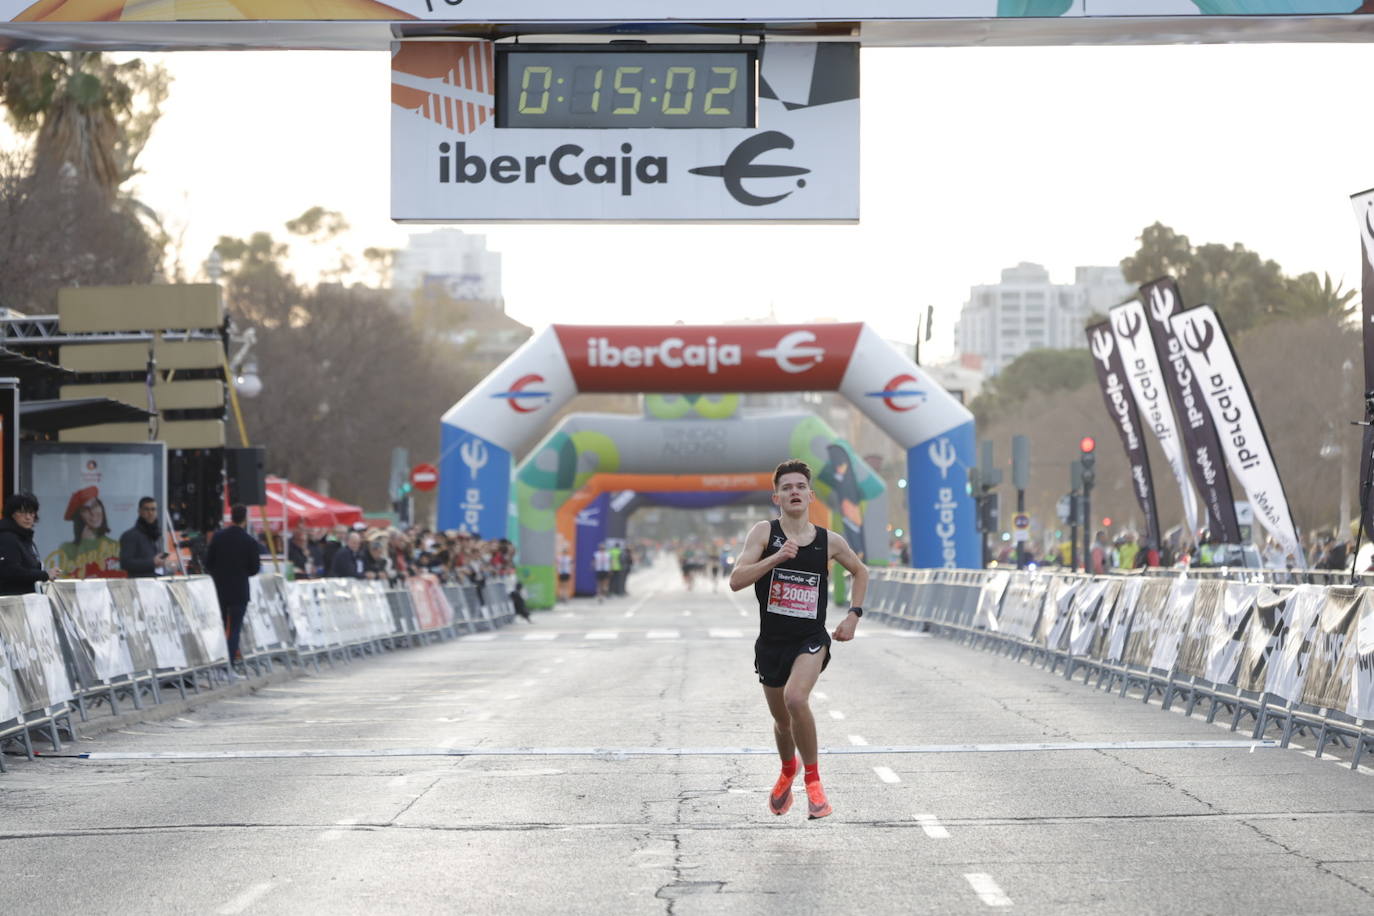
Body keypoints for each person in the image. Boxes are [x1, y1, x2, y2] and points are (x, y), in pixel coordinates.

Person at [729, 459, 869, 821]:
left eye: (800, 487)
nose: (794, 492)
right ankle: (788, 770)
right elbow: (736, 579)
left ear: (811, 495)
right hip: (771, 642)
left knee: (795, 698)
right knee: (782, 720)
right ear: (777, 497)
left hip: (810, 637)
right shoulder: (764, 533)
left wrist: (854, 615)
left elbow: (861, 571)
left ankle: (814, 782)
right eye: (787, 487)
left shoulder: (829, 541)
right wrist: (777, 557)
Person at [204, 504, 262, 664]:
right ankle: (229, 664)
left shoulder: (218, 537)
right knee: (235, 629)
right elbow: (255, 568)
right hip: (239, 590)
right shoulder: (249, 541)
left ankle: (217, 661)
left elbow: (208, 563)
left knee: (219, 627)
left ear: (231, 518)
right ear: (245, 519)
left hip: (220, 588)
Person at [48, 486, 121, 578]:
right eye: (86, 509)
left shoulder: (115, 545)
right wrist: (85, 543)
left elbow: (120, 576)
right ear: (79, 518)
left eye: (95, 505)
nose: (93, 512)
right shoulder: (66, 548)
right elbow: (67, 579)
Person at [0, 492, 51, 596]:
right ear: (12, 514)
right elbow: (11, 572)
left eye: (31, 513)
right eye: (22, 512)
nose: (28, 517)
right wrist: (44, 575)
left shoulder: (24, 537)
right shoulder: (7, 538)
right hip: (11, 604)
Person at [118, 496, 169, 578]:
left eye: (153, 509)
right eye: (147, 509)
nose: (150, 513)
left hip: (159, 583)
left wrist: (168, 566)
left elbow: (159, 562)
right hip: (140, 585)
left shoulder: (158, 535)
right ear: (139, 511)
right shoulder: (130, 535)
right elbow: (125, 563)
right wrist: (152, 563)